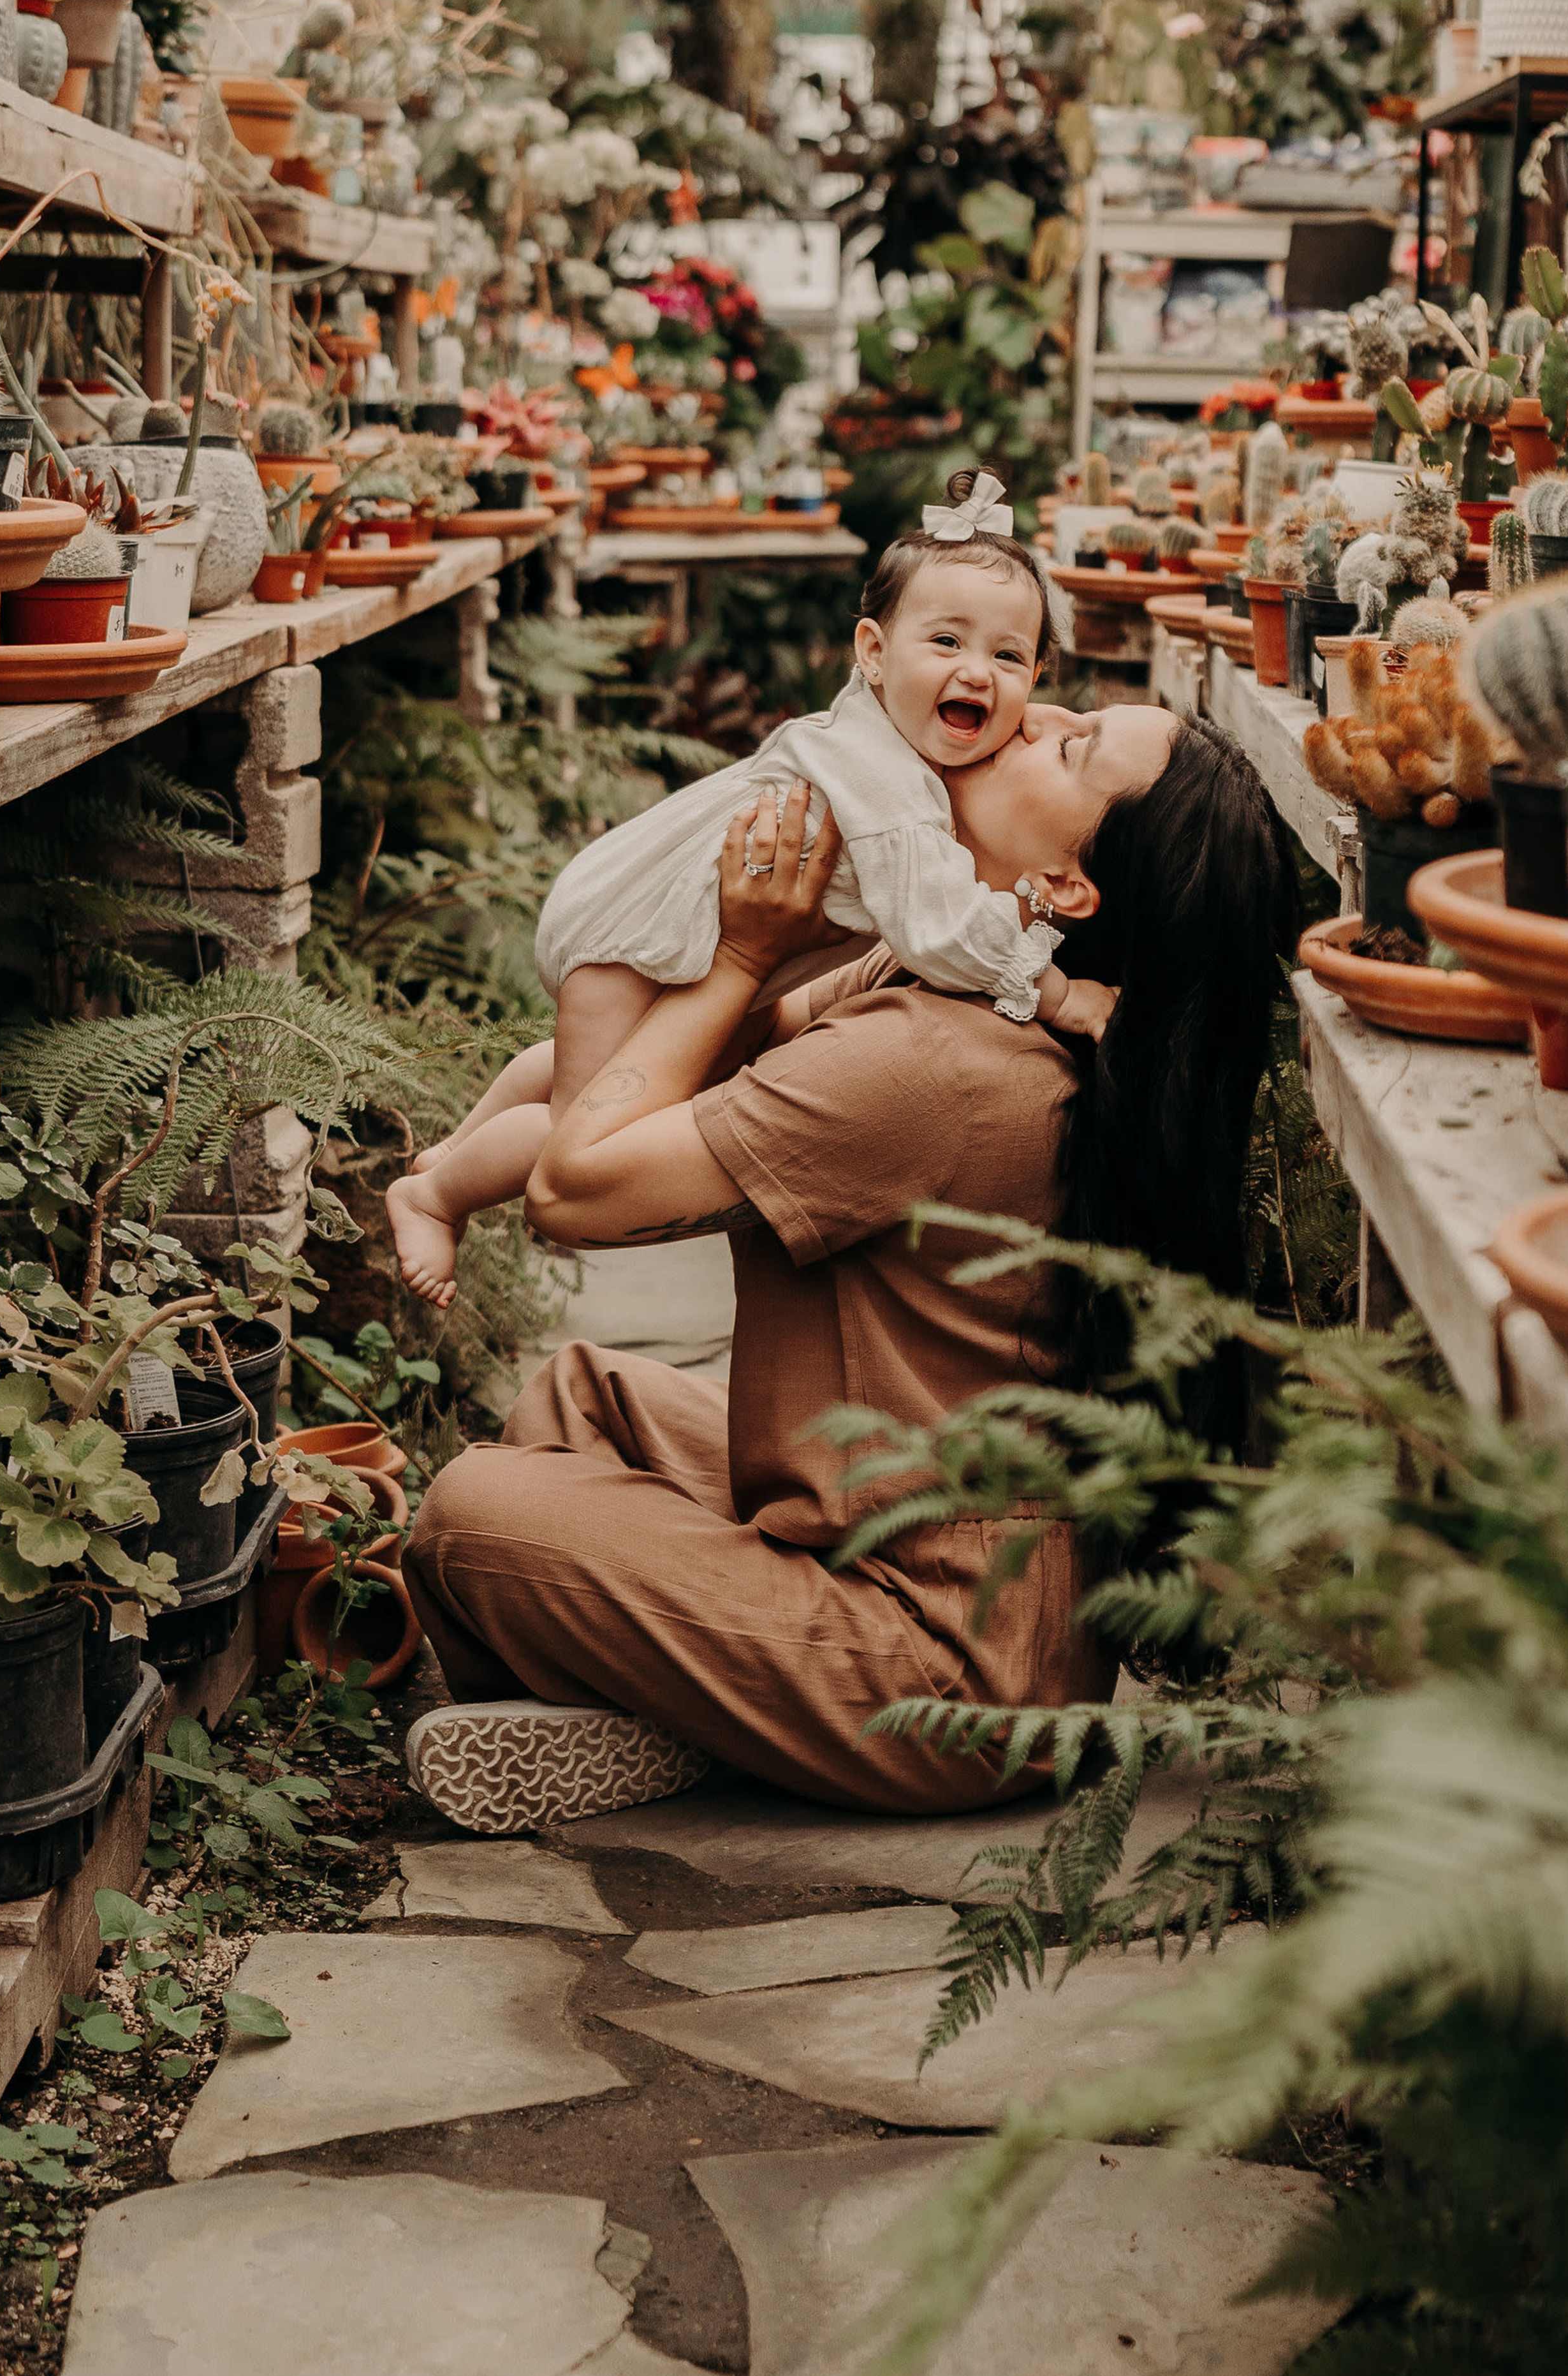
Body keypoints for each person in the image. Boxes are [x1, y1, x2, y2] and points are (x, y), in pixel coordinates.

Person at [400, 697, 1296, 1827]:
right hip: (881, 1538)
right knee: (582, 1398)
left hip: (942, 1672)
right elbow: (723, 1057)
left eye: (1073, 749)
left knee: (469, 1515)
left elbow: (574, 1188)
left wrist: (737, 955)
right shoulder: (965, 986)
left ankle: (703, 1718)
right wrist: (823, 899)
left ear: (1069, 889)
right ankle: (696, 1711)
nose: (1030, 716)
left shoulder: (935, 1065)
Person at [385, 472, 1108, 1307]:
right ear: (872, 652)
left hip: (655, 919)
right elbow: (938, 932)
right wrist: (1055, 993)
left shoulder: (888, 735)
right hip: (641, 935)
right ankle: (434, 1195)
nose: (977, 673)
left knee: (601, 1066)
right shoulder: (889, 785)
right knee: (577, 1125)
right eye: (946, 643)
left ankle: (458, 1144)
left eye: (1009, 656)